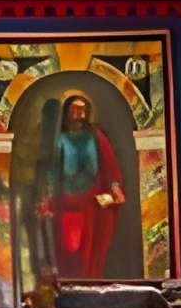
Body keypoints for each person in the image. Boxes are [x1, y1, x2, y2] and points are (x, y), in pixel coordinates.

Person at [28, 92, 126, 283]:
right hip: (65, 202)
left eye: (82, 110)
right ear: (67, 112)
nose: (79, 114)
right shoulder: (59, 138)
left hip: (92, 203)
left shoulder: (97, 137)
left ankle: (91, 284)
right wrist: (46, 200)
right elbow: (50, 169)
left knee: (91, 251)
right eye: (74, 110)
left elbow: (109, 166)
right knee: (66, 250)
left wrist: (114, 189)